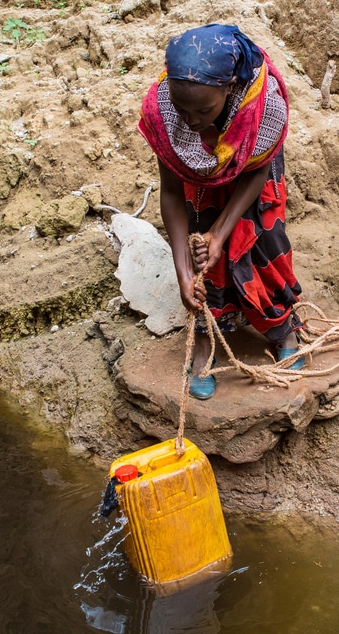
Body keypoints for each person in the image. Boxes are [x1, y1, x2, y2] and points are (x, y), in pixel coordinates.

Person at [137, 24, 304, 400]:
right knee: (201, 235)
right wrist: (183, 272)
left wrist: (223, 234)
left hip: (253, 171)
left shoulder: (264, 102)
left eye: (203, 109)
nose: (192, 119)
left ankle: (283, 326)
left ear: (228, 87)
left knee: (264, 235)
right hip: (198, 168)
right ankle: (206, 335)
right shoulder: (165, 111)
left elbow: (258, 171)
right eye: (184, 109)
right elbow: (171, 192)